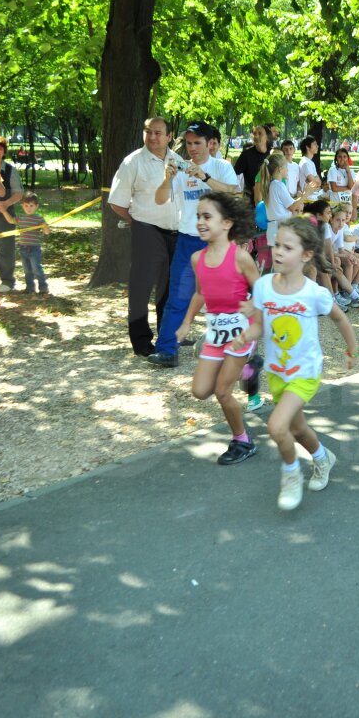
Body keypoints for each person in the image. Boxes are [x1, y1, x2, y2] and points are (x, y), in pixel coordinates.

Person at [237, 218, 358, 510]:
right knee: (297, 428)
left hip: (304, 372)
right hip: (277, 372)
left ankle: (291, 475)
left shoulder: (313, 293)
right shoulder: (264, 286)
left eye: (287, 247)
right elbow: (260, 326)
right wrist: (244, 337)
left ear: (305, 255)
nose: (278, 252)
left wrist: (351, 349)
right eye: (277, 244)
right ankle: (322, 457)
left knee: (277, 426)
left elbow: (340, 318)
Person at [172, 192, 262, 465]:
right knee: (200, 391)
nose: (200, 222)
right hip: (215, 333)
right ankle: (249, 370)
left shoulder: (240, 258)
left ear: (227, 223)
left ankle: (242, 440)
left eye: (207, 216)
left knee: (223, 392)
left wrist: (253, 307)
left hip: (240, 333)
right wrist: (186, 322)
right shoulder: (198, 259)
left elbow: (263, 290)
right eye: (198, 216)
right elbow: (200, 293)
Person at [144, 121, 241, 368]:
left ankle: (237, 348)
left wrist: (205, 177)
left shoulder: (220, 167)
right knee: (177, 297)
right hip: (187, 239)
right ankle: (167, 350)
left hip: (218, 243)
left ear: (210, 143)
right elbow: (159, 199)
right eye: (188, 143)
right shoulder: (180, 168)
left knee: (227, 298)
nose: (192, 148)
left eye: (197, 143)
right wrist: (167, 179)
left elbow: (234, 192)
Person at [107, 117, 181, 357]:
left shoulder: (178, 161)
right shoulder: (132, 162)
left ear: (169, 136)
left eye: (158, 133)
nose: (152, 137)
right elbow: (117, 202)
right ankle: (141, 342)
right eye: (148, 132)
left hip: (174, 232)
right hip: (146, 229)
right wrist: (135, 221)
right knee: (141, 287)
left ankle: (167, 335)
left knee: (169, 287)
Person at [0, 135, 23, 294]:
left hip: (4, 214)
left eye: (0, 148)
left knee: (5, 248)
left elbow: (19, 193)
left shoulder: (9, 170)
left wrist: (6, 204)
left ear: (4, 151)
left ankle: (7, 281)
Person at [14, 193, 50, 295]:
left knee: (36, 268)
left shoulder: (38, 218)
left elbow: (47, 232)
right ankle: (30, 288)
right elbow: (10, 220)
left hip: (34, 248)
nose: (28, 208)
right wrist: (3, 211)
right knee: (27, 270)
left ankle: (43, 287)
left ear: (36, 206)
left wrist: (44, 226)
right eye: (26, 205)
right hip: (22, 247)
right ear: (22, 206)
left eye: (31, 206)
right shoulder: (21, 217)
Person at [232, 124, 271, 207]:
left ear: (267, 137)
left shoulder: (272, 154)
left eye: (260, 133)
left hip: (270, 200)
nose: (256, 136)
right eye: (254, 133)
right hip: (250, 202)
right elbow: (233, 173)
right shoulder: (247, 154)